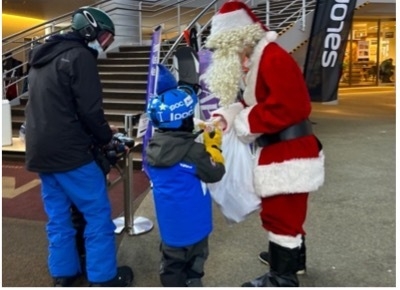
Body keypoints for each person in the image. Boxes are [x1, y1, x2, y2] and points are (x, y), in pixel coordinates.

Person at [204, 1, 325, 287]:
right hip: (281, 150)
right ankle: (292, 260)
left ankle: (282, 279)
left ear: (238, 39)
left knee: (281, 216)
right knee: (286, 212)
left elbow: (291, 106)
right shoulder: (257, 59)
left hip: (289, 152)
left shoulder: (271, 57)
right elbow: (254, 103)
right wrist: (227, 116)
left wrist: (244, 122)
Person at [24, 6, 133, 287]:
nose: (105, 44)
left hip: (40, 150)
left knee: (58, 217)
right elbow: (89, 110)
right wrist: (106, 138)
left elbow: (58, 107)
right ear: (89, 31)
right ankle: (103, 278)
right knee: (97, 215)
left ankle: (64, 274)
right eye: (105, 37)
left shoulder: (42, 58)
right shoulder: (81, 56)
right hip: (71, 152)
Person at [145, 65, 226, 287]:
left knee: (172, 264)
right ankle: (193, 281)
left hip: (170, 226)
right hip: (196, 224)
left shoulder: (152, 148)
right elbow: (216, 172)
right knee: (195, 261)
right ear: (184, 120)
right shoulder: (194, 152)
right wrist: (213, 146)